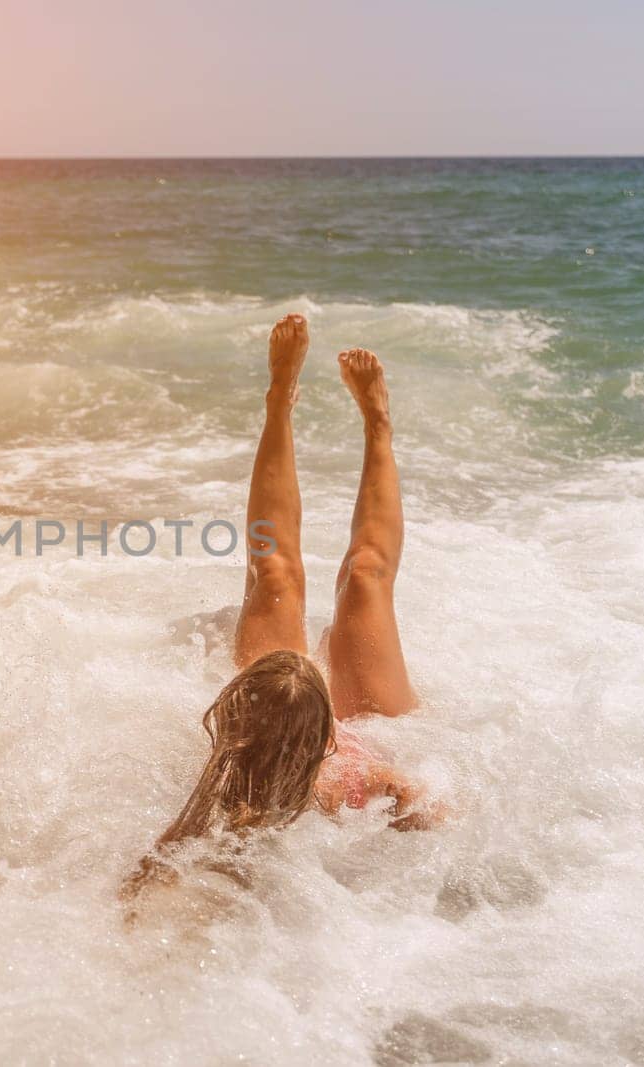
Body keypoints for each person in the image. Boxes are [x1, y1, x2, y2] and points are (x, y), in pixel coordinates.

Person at [125, 314, 436, 900]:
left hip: (307, 721)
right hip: (364, 722)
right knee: (324, 577)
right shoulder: (263, 781)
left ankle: (336, 415)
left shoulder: (275, 767)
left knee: (318, 574)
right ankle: (327, 413)